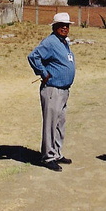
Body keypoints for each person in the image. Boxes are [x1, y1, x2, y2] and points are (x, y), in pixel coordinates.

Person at [27, 12, 76, 172]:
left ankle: (57, 153)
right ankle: (48, 157)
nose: (64, 27)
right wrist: (43, 73)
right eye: (61, 25)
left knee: (60, 123)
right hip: (52, 89)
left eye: (67, 25)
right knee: (50, 124)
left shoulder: (63, 43)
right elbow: (33, 56)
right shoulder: (50, 42)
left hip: (63, 90)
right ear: (54, 27)